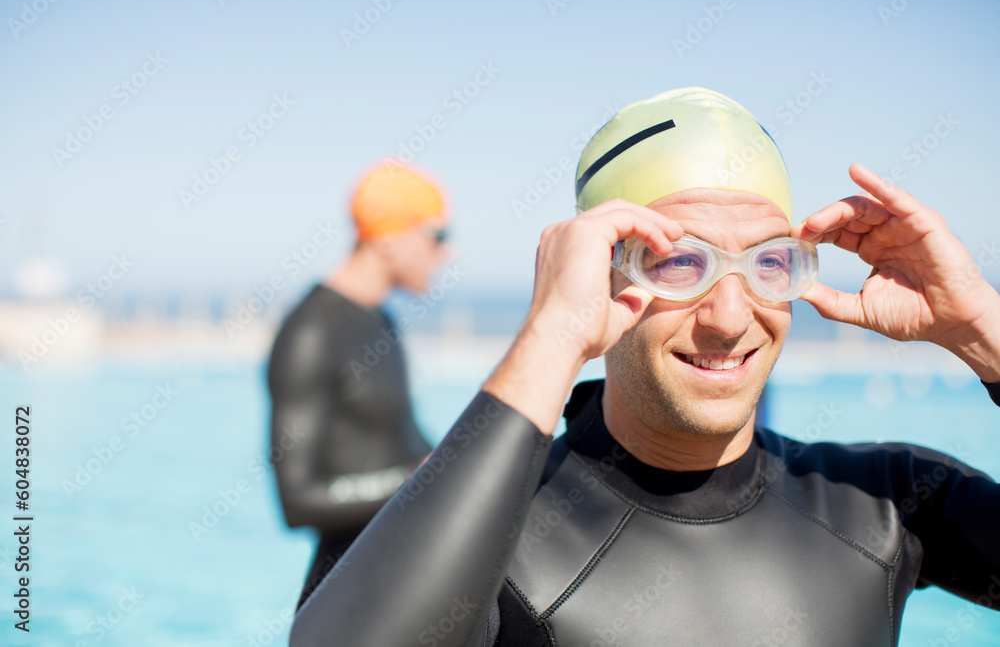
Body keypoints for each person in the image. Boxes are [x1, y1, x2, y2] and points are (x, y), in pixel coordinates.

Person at [289, 88, 1000, 645]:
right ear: (600, 274)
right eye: (678, 262)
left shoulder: (888, 502)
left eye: (768, 263)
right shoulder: (491, 540)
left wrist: (981, 329)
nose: (729, 315)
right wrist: (553, 336)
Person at [267, 162, 449, 610]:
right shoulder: (310, 332)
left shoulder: (380, 320)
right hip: (346, 603)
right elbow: (298, 501)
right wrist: (422, 479)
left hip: (399, 581)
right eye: (437, 236)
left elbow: (401, 442)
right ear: (389, 238)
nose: (447, 253)